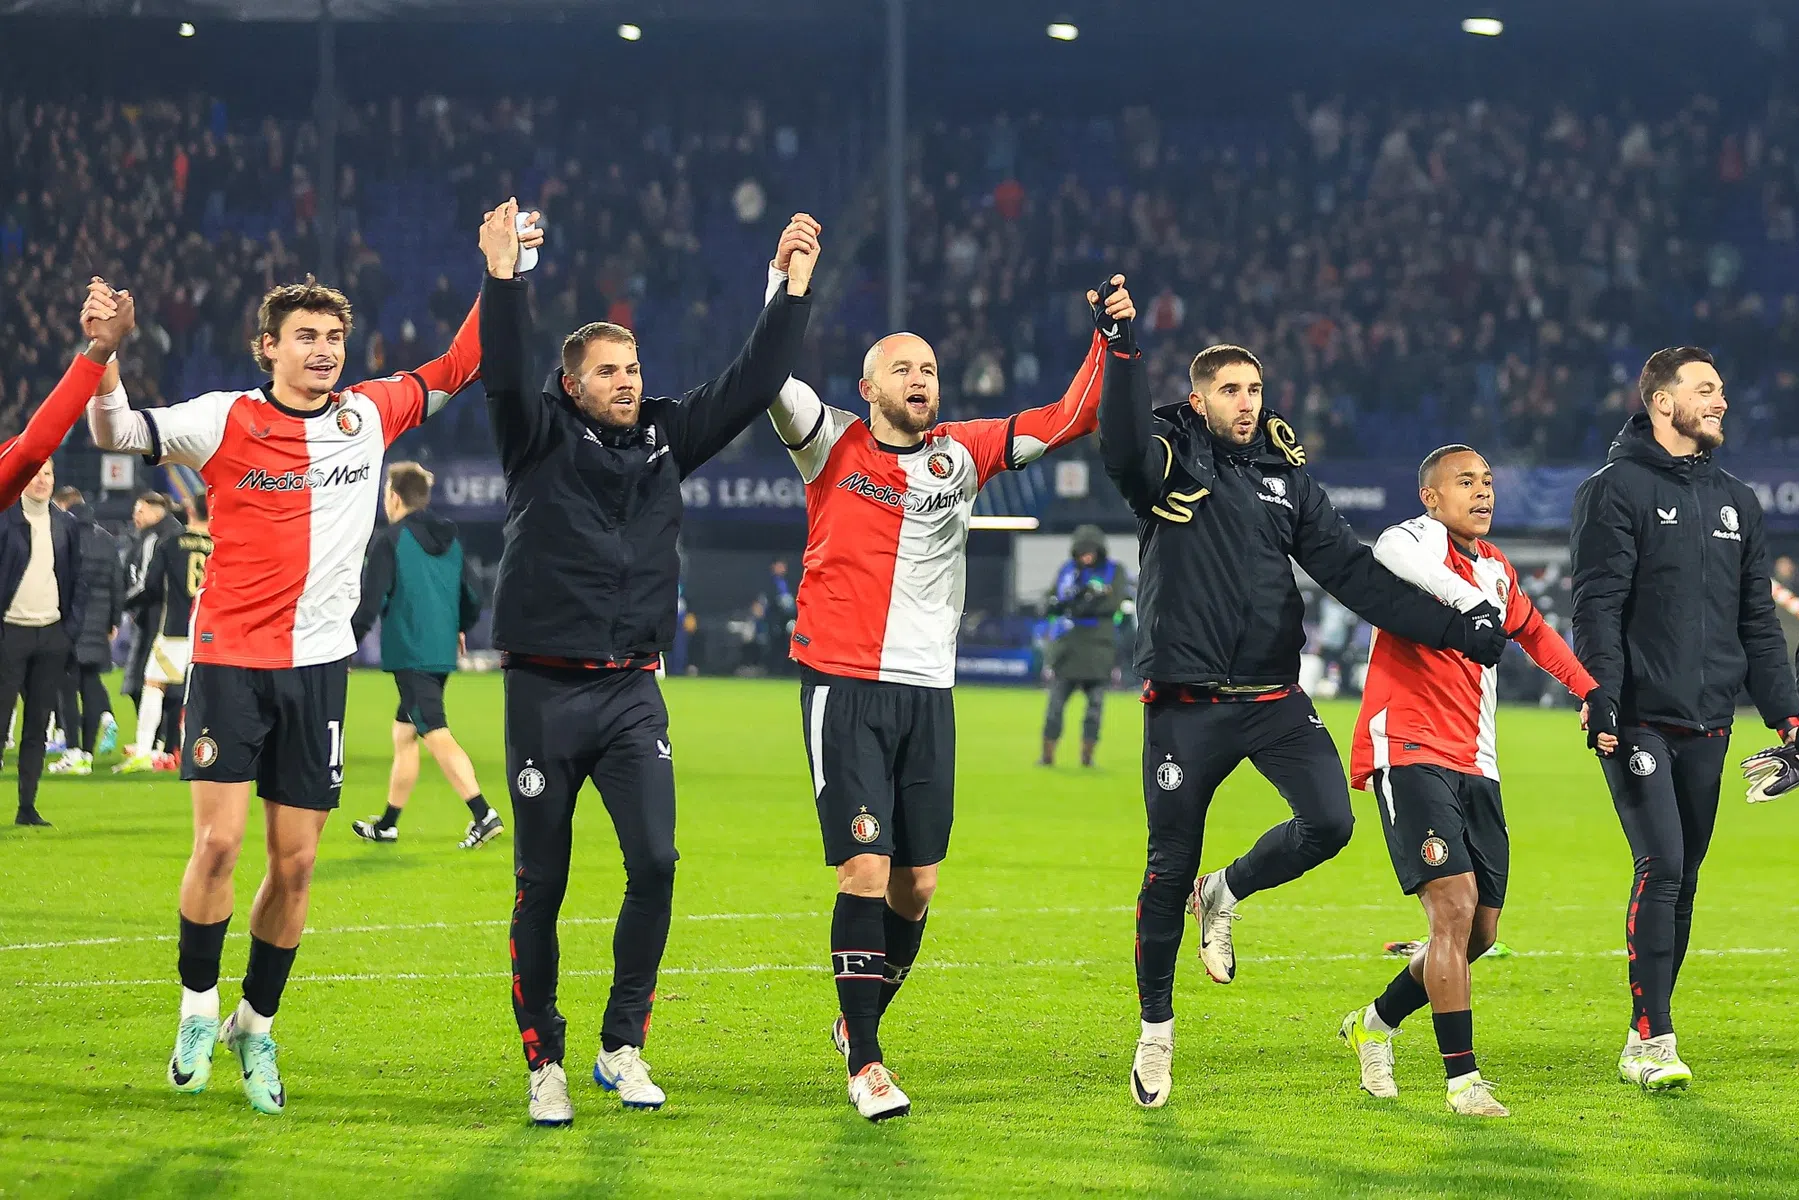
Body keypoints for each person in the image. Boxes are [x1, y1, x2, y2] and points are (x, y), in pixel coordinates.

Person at [87, 197, 535, 1116]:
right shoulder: (221, 419)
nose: (324, 349)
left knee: (294, 867)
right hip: (228, 661)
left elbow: (459, 363)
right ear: (269, 347)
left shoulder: (368, 416)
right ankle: (197, 1008)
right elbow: (116, 434)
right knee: (217, 846)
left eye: (333, 335)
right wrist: (102, 358)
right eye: (304, 336)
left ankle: (257, 1024)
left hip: (320, 668)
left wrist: (501, 272)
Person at [1094, 288, 1507, 1110]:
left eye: (1254, 390)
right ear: (1198, 394)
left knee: (1330, 822)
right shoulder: (1165, 457)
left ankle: (1227, 892)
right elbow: (1119, 448)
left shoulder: (1283, 473)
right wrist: (1120, 349)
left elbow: (1351, 573)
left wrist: (1458, 627)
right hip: (1186, 702)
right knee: (1163, 863)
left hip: (1274, 697)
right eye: (1230, 391)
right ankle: (1155, 1034)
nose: (1247, 404)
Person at [484, 212, 816, 1127]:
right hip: (544, 693)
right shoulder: (534, 434)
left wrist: (788, 289)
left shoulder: (670, 436)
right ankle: (542, 1057)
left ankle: (621, 1045)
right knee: (540, 884)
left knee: (658, 861)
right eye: (607, 372)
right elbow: (504, 364)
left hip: (632, 689)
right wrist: (505, 277)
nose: (627, 383)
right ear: (570, 384)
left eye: (632, 370)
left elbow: (751, 383)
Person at [768, 262, 1116, 1123]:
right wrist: (784, 289)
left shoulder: (966, 452)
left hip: (929, 691)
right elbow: (765, 372)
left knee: (915, 886)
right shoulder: (828, 441)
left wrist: (1108, 340)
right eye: (902, 368)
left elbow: (1069, 417)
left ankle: (858, 1026)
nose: (919, 379)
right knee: (864, 866)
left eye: (927, 368)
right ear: (867, 387)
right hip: (843, 682)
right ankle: (869, 1065)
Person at [1336, 445, 1607, 1119]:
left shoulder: (1496, 567)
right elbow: (1387, 550)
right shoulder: (1416, 544)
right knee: (1451, 910)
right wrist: (1466, 605)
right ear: (1431, 497)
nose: (1481, 492)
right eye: (1465, 482)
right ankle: (1463, 1081)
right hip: (1409, 748)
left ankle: (1373, 1021)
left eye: (1487, 482)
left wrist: (1588, 690)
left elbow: (1535, 633)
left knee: (1479, 932)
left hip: (1476, 763)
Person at [1570, 346, 1799, 1092]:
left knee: (1685, 877)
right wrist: (1598, 693)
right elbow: (1596, 602)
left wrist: (1787, 717)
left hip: (1709, 718)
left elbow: (1757, 622)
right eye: (1705, 390)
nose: (1721, 401)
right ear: (1662, 403)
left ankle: (1655, 1023)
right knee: (1661, 864)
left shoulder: (1737, 499)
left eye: (1722, 390)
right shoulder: (1614, 490)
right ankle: (1647, 1039)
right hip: (1635, 717)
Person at [349, 461, 499, 849]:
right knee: (405, 732)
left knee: (433, 728)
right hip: (440, 651)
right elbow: (474, 594)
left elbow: (372, 600)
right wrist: (460, 627)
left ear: (394, 497)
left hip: (410, 651)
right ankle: (388, 823)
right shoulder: (451, 539)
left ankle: (483, 813)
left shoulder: (390, 540)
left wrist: (347, 644)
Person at [0, 460, 88, 825]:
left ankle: (27, 808)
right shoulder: (5, 519)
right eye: (35, 472)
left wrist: (69, 633)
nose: (42, 479)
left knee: (38, 725)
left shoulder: (66, 524)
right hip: (10, 632)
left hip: (51, 635)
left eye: (49, 473)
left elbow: (76, 582)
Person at [116, 495, 213, 774]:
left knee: (154, 686)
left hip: (174, 629)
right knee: (198, 694)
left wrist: (126, 604)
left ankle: (145, 750)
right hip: (207, 631)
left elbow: (152, 585)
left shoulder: (171, 543)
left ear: (190, 510)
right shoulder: (218, 546)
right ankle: (191, 752)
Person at [47, 486, 123, 776]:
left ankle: (73, 751)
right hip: (99, 625)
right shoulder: (106, 539)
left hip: (69, 622)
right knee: (91, 686)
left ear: (65, 506)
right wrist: (113, 621)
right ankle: (87, 756)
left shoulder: (62, 535)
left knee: (67, 690)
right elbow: (118, 583)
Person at [1038, 524, 1123, 767]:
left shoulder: (1113, 571)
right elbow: (1052, 599)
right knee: (1055, 706)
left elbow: (1113, 603)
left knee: (1094, 708)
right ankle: (1047, 756)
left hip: (1099, 649)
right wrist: (1058, 603)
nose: (1086, 556)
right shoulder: (1068, 572)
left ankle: (1087, 757)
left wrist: (1085, 603)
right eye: (1082, 551)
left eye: (1091, 551)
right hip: (1068, 647)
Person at [122, 490, 183, 755]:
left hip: (157, 622)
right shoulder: (182, 535)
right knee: (174, 688)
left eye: (140, 510)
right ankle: (169, 745)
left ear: (156, 511)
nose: (136, 516)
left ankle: (154, 744)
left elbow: (147, 583)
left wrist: (121, 603)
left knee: (144, 684)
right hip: (182, 622)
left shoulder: (157, 538)